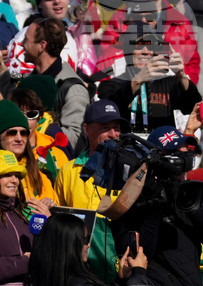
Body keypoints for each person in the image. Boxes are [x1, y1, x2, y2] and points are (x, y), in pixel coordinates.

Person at [112, 126, 203, 286]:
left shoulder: (191, 196)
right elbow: (137, 257)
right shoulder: (132, 204)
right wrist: (155, 205)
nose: (184, 167)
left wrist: (190, 206)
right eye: (177, 159)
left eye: (188, 159)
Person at [96, 30, 201, 137]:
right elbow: (108, 111)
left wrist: (182, 76)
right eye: (139, 46)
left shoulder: (168, 81)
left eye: (150, 46)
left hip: (162, 147)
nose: (145, 52)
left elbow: (191, 107)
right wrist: (138, 81)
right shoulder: (112, 84)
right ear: (128, 50)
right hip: (126, 147)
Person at [8, 18, 90, 150]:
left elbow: (76, 140)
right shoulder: (30, 80)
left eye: (26, 40)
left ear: (42, 45)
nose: (22, 44)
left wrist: (40, 130)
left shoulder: (72, 89)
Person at [54, 100, 125, 210]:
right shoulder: (68, 170)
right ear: (87, 129)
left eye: (116, 127)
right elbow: (58, 216)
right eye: (104, 128)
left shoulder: (128, 169)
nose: (113, 134)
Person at [0, 150, 34, 286]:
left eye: (17, 175)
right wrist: (24, 263)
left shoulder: (23, 216)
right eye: (7, 174)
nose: (14, 180)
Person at [0, 100, 57, 208]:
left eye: (23, 133)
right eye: (12, 132)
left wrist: (49, 212)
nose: (19, 139)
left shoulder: (39, 176)